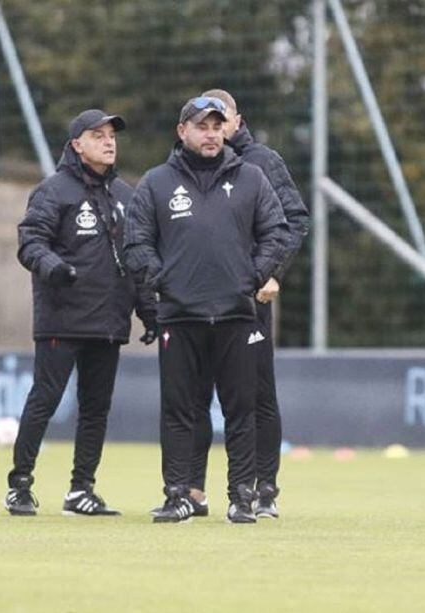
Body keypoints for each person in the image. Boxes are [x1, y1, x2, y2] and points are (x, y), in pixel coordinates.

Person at [124, 96, 288, 523]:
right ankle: (179, 494)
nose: (211, 133)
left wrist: (252, 276)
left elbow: (276, 231)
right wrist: (162, 278)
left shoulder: (251, 178)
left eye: (217, 126)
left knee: (241, 410)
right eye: (202, 126)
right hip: (179, 316)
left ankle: (241, 496)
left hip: (237, 315)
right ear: (183, 131)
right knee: (179, 410)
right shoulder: (157, 182)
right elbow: (136, 241)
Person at [5, 109, 157, 517]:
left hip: (108, 321)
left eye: (112, 135)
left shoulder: (126, 196)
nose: (109, 141)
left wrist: (149, 309)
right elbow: (30, 241)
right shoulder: (53, 191)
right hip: (63, 316)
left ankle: (81, 489)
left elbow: (137, 259)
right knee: (46, 400)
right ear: (77, 144)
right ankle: (20, 484)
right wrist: (51, 265)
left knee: (96, 408)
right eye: (98, 135)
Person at [181, 88, 310, 519]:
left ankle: (263, 486)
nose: (215, 128)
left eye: (223, 119)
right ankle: (191, 490)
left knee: (255, 393)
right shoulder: (182, 166)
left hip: (249, 296)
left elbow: (293, 221)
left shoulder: (262, 163)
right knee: (195, 394)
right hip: (197, 301)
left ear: (238, 121)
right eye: (206, 122)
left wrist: (271, 272)